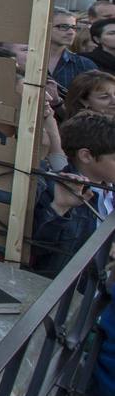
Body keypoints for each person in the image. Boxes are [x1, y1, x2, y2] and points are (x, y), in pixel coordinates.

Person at [32, 110, 115, 278]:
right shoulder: (54, 188)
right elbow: (35, 250)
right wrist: (59, 208)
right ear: (86, 156)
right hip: (70, 296)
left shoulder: (110, 188)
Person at [47, 9, 96, 94]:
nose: (71, 32)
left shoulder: (84, 65)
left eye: (74, 28)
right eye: (63, 27)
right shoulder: (25, 58)